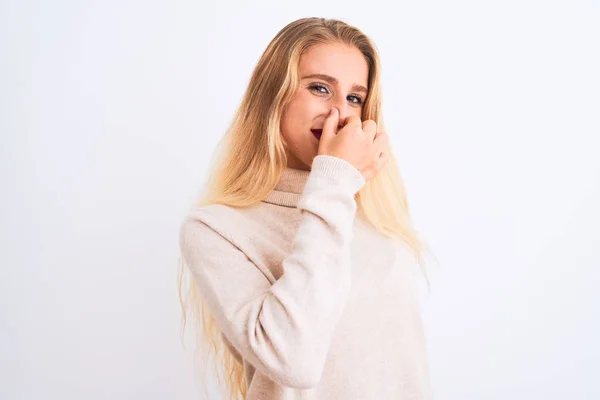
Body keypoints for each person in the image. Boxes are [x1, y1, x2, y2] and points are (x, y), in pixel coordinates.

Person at [178, 16, 433, 400]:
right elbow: (293, 361)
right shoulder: (216, 229)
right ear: (273, 96)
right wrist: (334, 180)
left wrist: (341, 185)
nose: (340, 113)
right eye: (319, 88)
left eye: (354, 98)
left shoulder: (376, 214)